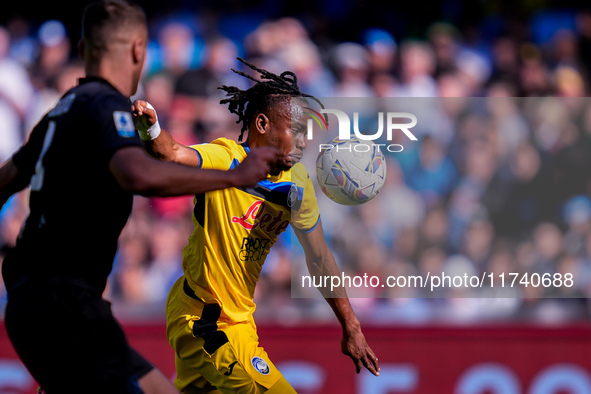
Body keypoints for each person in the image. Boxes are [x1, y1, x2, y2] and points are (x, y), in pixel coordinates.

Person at [0, 2, 281, 393]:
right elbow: (137, 173)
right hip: (65, 301)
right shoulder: (106, 106)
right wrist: (235, 176)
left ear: (82, 50)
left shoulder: (60, 113)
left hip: (28, 301)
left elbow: (6, 179)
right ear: (138, 51)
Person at [133, 58, 380, 393]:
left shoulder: (298, 184)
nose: (304, 141)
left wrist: (351, 325)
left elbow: (320, 258)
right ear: (262, 124)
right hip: (202, 318)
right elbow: (171, 153)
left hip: (241, 323)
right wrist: (151, 128)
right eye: (295, 131)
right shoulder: (227, 159)